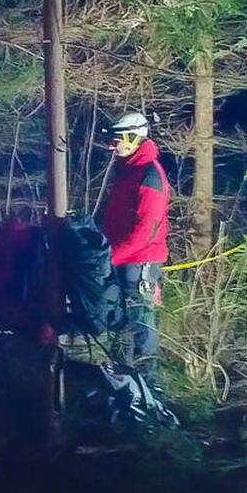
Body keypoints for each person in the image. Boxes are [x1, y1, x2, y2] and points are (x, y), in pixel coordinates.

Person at [99, 112, 170, 383]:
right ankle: (125, 378)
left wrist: (111, 257)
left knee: (140, 319)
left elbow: (144, 233)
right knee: (121, 319)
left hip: (139, 262)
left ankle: (148, 383)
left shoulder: (150, 175)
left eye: (117, 140)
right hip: (121, 259)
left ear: (134, 138)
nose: (112, 146)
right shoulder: (129, 170)